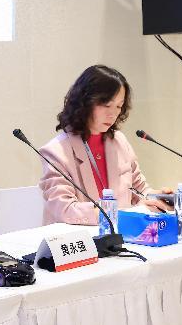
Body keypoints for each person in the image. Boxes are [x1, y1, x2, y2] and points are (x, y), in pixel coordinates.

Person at [40, 65, 171, 225]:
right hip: (82, 236)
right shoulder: (56, 151)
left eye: (119, 106)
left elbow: (139, 190)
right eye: (107, 105)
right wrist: (121, 214)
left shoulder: (119, 141)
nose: (113, 114)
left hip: (122, 234)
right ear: (85, 102)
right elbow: (65, 210)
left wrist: (157, 197)